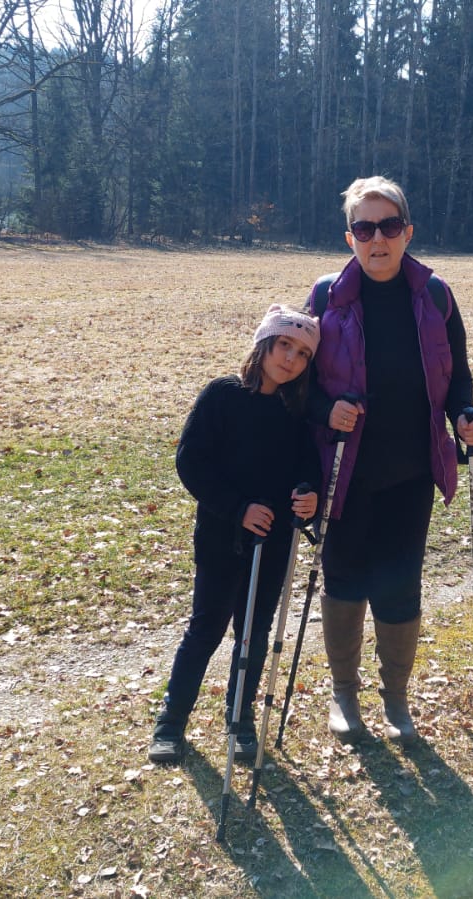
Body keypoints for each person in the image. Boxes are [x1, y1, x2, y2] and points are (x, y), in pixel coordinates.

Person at [306, 175, 473, 745]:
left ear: (407, 232)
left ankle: (395, 700)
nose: (377, 239)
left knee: (399, 585)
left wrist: (464, 415)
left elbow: (457, 374)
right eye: (364, 228)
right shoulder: (326, 298)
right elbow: (298, 386)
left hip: (410, 471)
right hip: (344, 471)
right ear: (349, 238)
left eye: (388, 226)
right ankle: (343, 694)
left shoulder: (435, 296)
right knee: (343, 580)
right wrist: (327, 409)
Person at [149, 305, 323, 764]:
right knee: (207, 627)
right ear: (264, 343)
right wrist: (238, 508)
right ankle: (171, 721)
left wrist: (310, 497)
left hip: (275, 541)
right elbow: (191, 462)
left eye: (303, 353)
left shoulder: (295, 410)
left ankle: (239, 717)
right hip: (221, 537)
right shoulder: (222, 395)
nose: (291, 358)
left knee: (255, 630)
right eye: (284, 345)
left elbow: (308, 467)